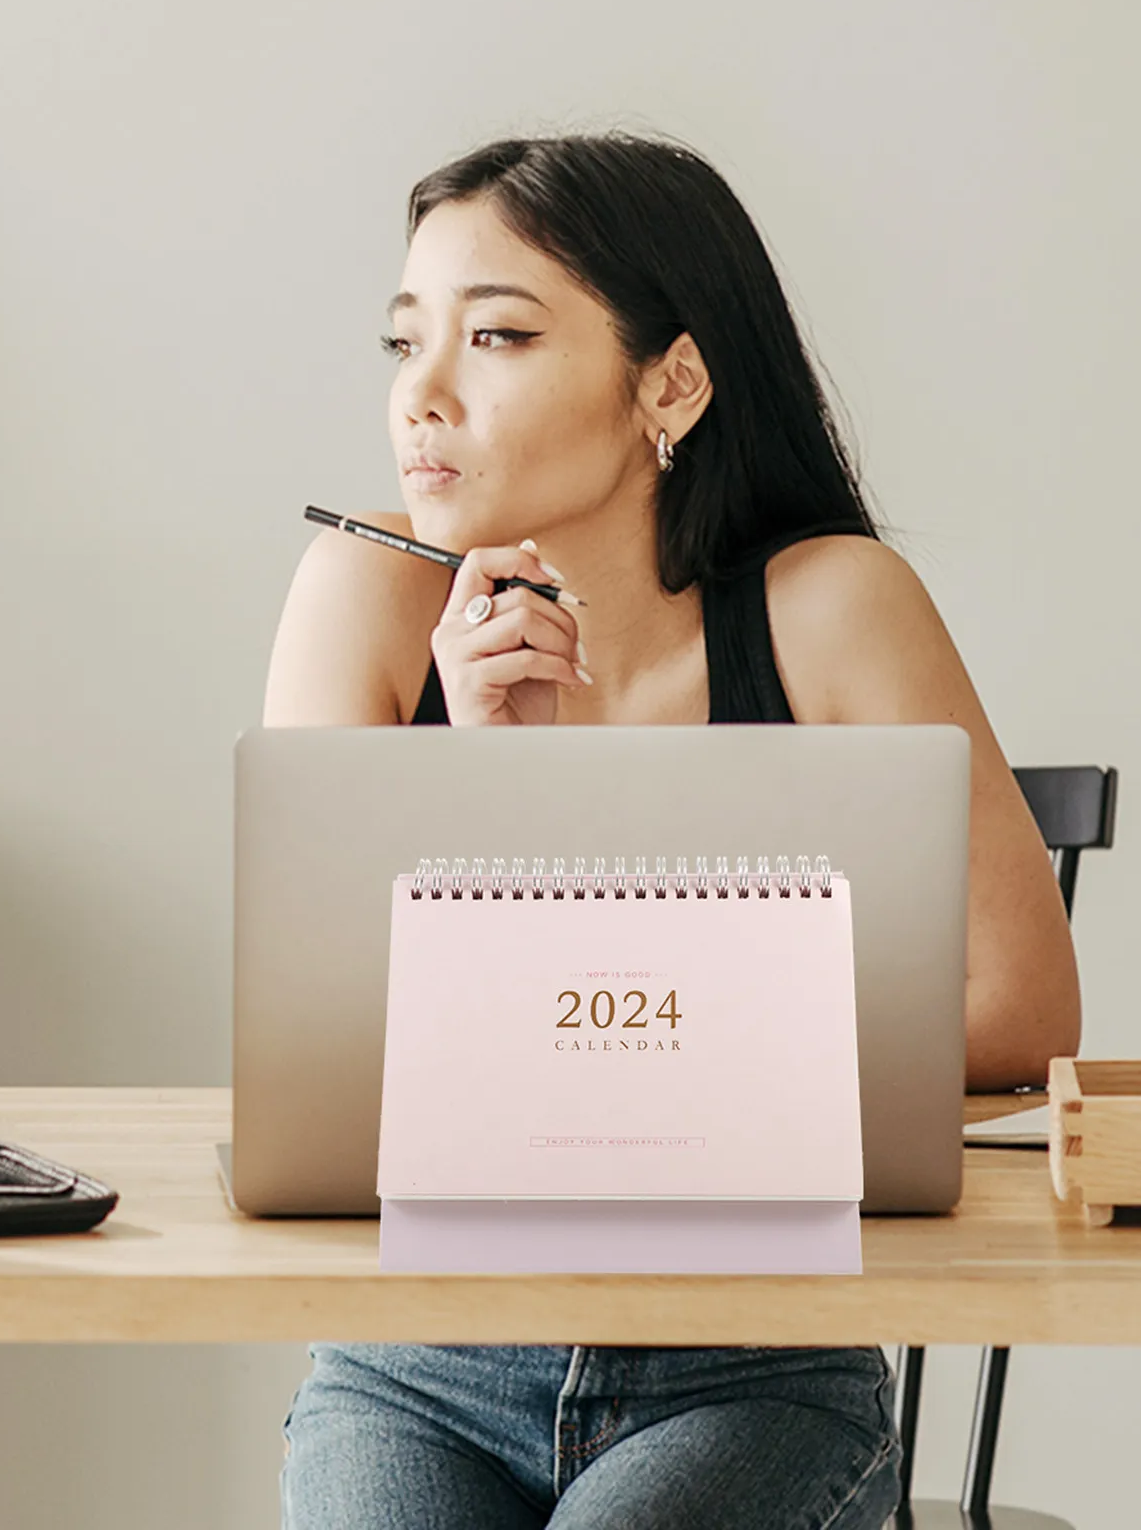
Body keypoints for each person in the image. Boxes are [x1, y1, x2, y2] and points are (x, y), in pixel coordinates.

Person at [263, 130, 1080, 1530]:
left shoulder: (831, 607)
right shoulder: (365, 594)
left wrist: (605, 1043)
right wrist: (475, 773)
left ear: (675, 383)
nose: (425, 399)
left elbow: (1019, 1005)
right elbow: (313, 1035)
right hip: (417, 1365)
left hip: (752, 1366)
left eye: (499, 337)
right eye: (406, 347)